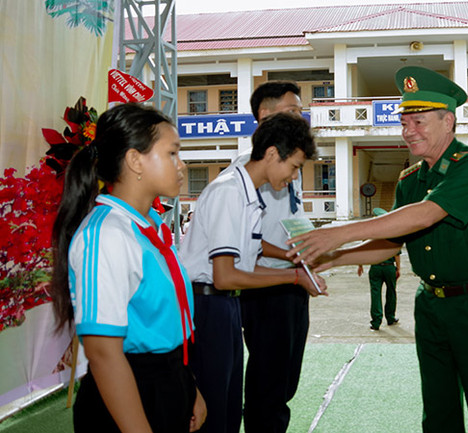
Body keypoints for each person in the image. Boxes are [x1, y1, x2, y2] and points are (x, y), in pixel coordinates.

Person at [286, 66, 468, 433]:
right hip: (431, 305)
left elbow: (424, 215)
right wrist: (330, 258)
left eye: (418, 121)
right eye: (404, 122)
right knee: (438, 410)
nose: (408, 131)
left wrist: (338, 232)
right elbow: (390, 243)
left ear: (448, 122)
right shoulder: (411, 179)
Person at [50, 103, 206, 432]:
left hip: (167, 378)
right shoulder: (106, 234)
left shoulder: (148, 224)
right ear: (135, 160)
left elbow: (167, 326)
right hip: (128, 395)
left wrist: (187, 386)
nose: (182, 165)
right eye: (172, 153)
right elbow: (104, 353)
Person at [179, 113, 327, 433]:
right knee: (213, 412)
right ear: (273, 154)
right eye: (295, 166)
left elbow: (251, 254)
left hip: (227, 306)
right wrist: (294, 277)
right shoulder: (229, 191)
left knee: (231, 407)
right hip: (207, 306)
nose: (294, 176)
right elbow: (225, 274)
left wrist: (293, 257)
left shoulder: (250, 196)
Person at [238, 80, 313, 433]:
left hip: (293, 283)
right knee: (268, 381)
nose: (302, 117)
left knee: (286, 380)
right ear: (265, 116)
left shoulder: (288, 168)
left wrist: (319, 249)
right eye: (293, 111)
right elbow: (243, 239)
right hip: (265, 284)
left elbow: (289, 222)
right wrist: (290, 257)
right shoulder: (245, 172)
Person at [356, 208, 401, 331]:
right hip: (389, 268)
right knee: (391, 292)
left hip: (375, 267)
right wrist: (398, 268)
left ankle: (376, 322)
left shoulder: (370, 234)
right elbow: (397, 253)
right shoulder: (393, 234)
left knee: (375, 294)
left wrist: (360, 265)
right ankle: (390, 318)